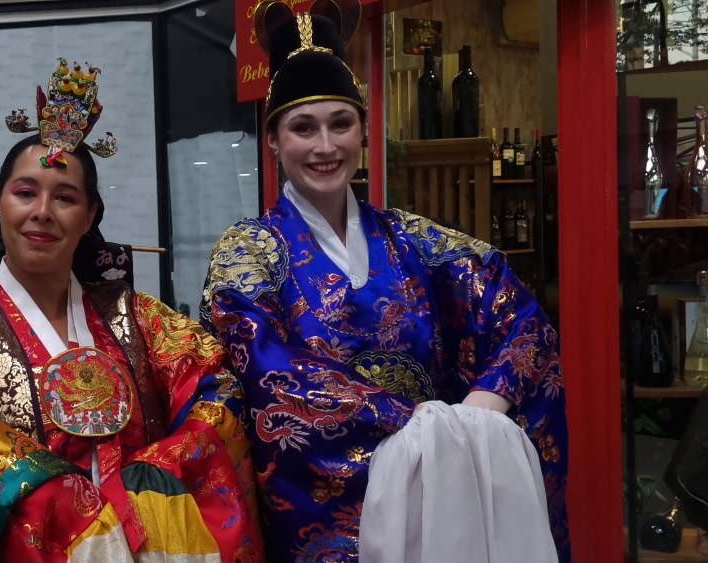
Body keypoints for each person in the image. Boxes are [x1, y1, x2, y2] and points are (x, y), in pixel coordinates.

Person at [199, 3, 568, 563]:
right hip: (327, 518)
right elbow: (270, 372)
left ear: (363, 130)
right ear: (273, 139)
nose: (326, 147)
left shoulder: (413, 239)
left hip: (438, 501)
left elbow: (521, 320)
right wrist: (420, 424)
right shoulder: (248, 252)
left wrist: (476, 414)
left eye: (341, 124)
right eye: (303, 128)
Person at [0, 63, 262, 563]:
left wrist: (156, 476)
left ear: (89, 215)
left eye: (65, 198)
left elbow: (216, 389)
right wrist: (53, 499)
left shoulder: (139, 317)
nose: (42, 211)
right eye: (25, 193)